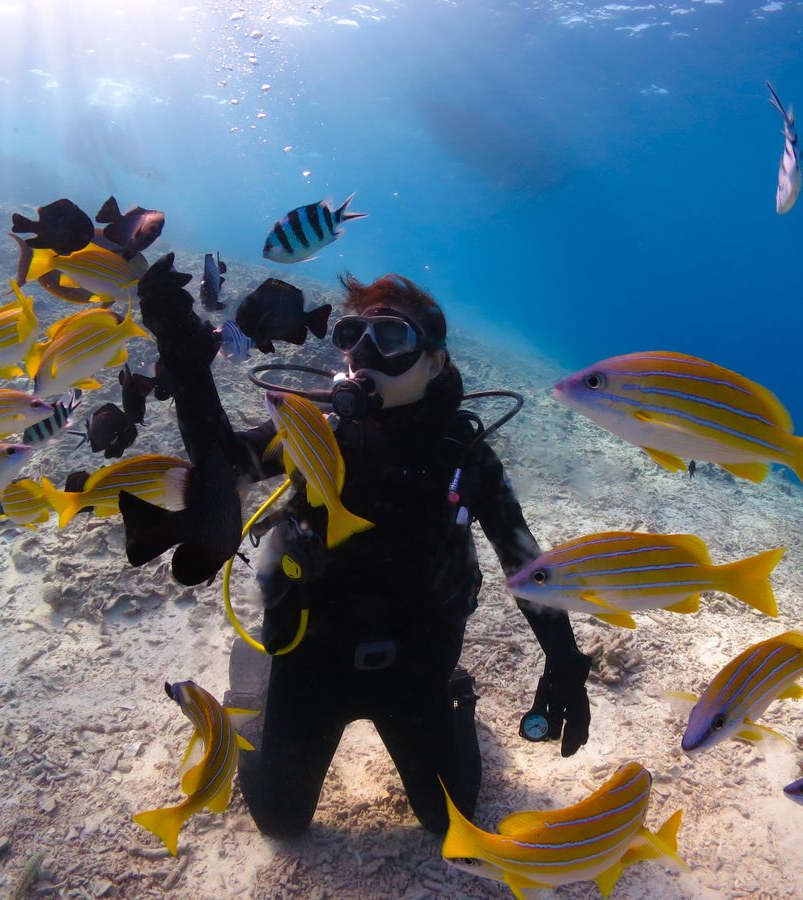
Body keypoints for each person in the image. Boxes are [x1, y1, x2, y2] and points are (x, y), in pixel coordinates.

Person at [139, 265, 591, 838]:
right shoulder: (313, 429)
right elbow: (221, 465)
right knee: (279, 820)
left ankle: (458, 697)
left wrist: (565, 661)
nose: (365, 354)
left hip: (417, 667)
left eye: (392, 337)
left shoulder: (465, 455)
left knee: (450, 822)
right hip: (311, 657)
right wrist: (185, 365)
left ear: (435, 362)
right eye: (353, 335)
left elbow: (524, 562)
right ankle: (255, 692)